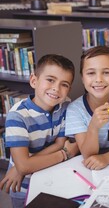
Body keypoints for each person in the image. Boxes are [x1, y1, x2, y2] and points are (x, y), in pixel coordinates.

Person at [0, 54, 79, 208]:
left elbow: (60, 143)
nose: (56, 88)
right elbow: (24, 166)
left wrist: (23, 166)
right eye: (50, 80)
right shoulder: (17, 116)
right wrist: (64, 153)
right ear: (34, 81)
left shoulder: (65, 106)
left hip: (52, 178)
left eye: (64, 84)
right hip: (23, 185)